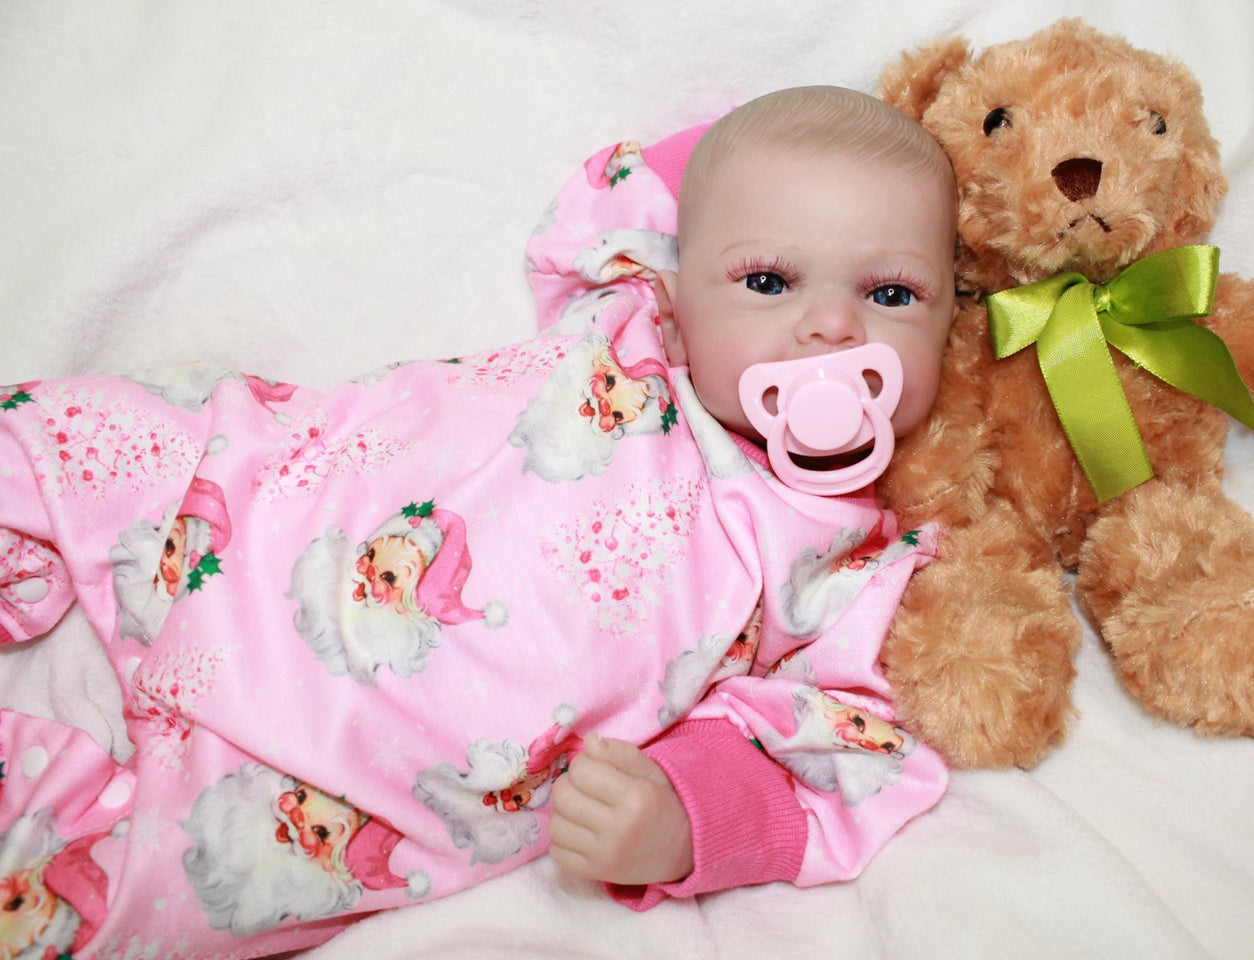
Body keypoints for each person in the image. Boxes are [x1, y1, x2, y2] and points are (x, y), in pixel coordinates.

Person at [0, 86, 957, 958]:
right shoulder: (627, 324)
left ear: (954, 323)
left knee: (89, 906)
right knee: (65, 439)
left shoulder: (852, 564)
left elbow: (842, 748)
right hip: (250, 511)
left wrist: (683, 819)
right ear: (676, 291)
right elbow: (627, 190)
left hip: (346, 790)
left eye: (891, 294)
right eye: (767, 281)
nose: (833, 326)